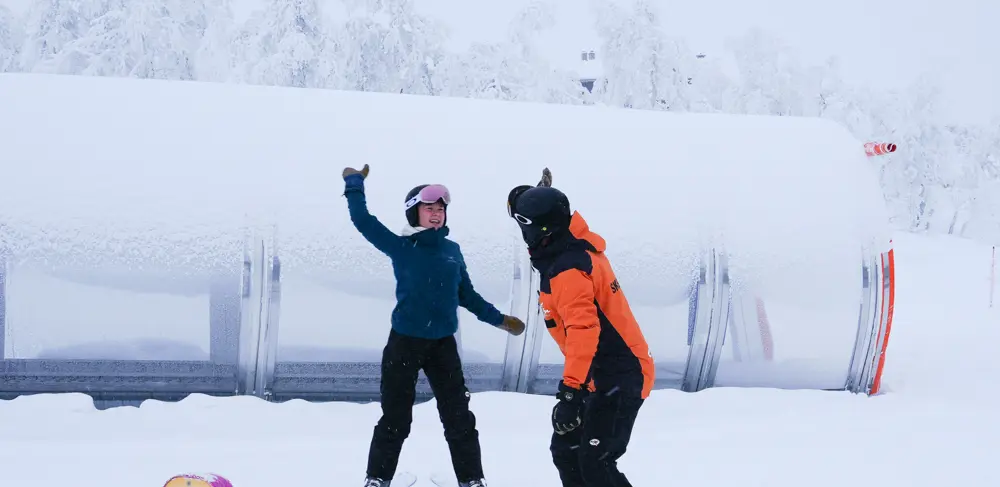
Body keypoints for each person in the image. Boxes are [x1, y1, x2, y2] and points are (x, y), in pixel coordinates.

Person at [342, 163, 526, 487]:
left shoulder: (452, 251)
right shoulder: (401, 246)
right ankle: (376, 479)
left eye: (441, 208)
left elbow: (466, 295)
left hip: (443, 346)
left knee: (459, 419)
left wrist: (499, 320)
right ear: (415, 213)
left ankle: (472, 480)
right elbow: (363, 221)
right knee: (396, 419)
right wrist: (354, 183)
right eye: (429, 207)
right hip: (404, 343)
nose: (437, 213)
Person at [506, 169, 655, 487]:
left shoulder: (569, 269)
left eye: (524, 225)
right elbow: (545, 215)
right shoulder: (564, 249)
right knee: (567, 452)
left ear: (540, 230)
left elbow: (584, 330)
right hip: (596, 376)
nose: (521, 232)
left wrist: (570, 394)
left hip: (619, 375)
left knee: (595, 463)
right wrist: (538, 196)